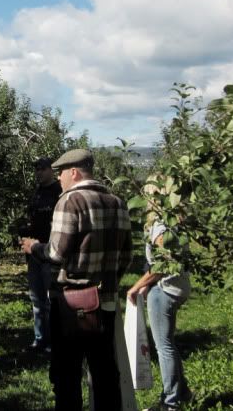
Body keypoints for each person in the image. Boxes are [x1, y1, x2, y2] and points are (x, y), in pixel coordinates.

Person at [20, 148, 132, 411]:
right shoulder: (117, 202)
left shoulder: (69, 201)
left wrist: (34, 247)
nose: (59, 178)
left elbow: (56, 253)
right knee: (105, 373)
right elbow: (126, 256)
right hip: (105, 301)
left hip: (71, 304)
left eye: (61, 173)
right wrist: (109, 282)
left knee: (66, 375)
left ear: (74, 172)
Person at [127, 182, 192, 410]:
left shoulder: (160, 226)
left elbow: (164, 264)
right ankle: (181, 392)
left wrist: (136, 286)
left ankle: (170, 402)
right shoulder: (174, 222)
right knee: (168, 344)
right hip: (177, 287)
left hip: (165, 290)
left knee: (163, 347)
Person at [20, 157, 62, 352]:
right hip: (33, 253)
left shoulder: (59, 192)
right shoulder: (36, 193)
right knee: (36, 298)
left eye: (42, 169)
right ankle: (40, 338)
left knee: (51, 298)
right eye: (36, 169)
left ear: (51, 170)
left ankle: (53, 340)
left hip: (49, 251)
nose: (38, 172)